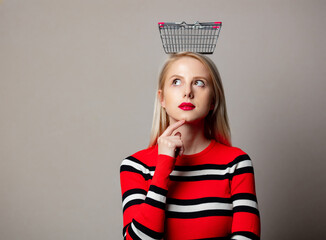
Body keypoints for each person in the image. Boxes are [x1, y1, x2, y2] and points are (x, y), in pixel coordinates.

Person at [120, 52, 260, 239]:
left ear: (213, 100)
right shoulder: (135, 166)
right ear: (162, 98)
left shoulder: (236, 163)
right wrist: (162, 168)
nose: (188, 92)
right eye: (176, 82)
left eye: (199, 82)